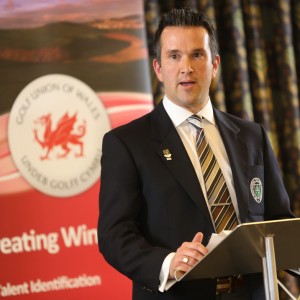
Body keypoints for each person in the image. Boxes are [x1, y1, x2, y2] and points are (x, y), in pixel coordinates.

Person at [98, 8, 294, 300]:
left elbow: (278, 223)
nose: (186, 67)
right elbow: (115, 236)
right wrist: (168, 263)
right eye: (174, 56)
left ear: (214, 64)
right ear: (158, 68)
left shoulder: (253, 136)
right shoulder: (126, 143)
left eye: (197, 55)